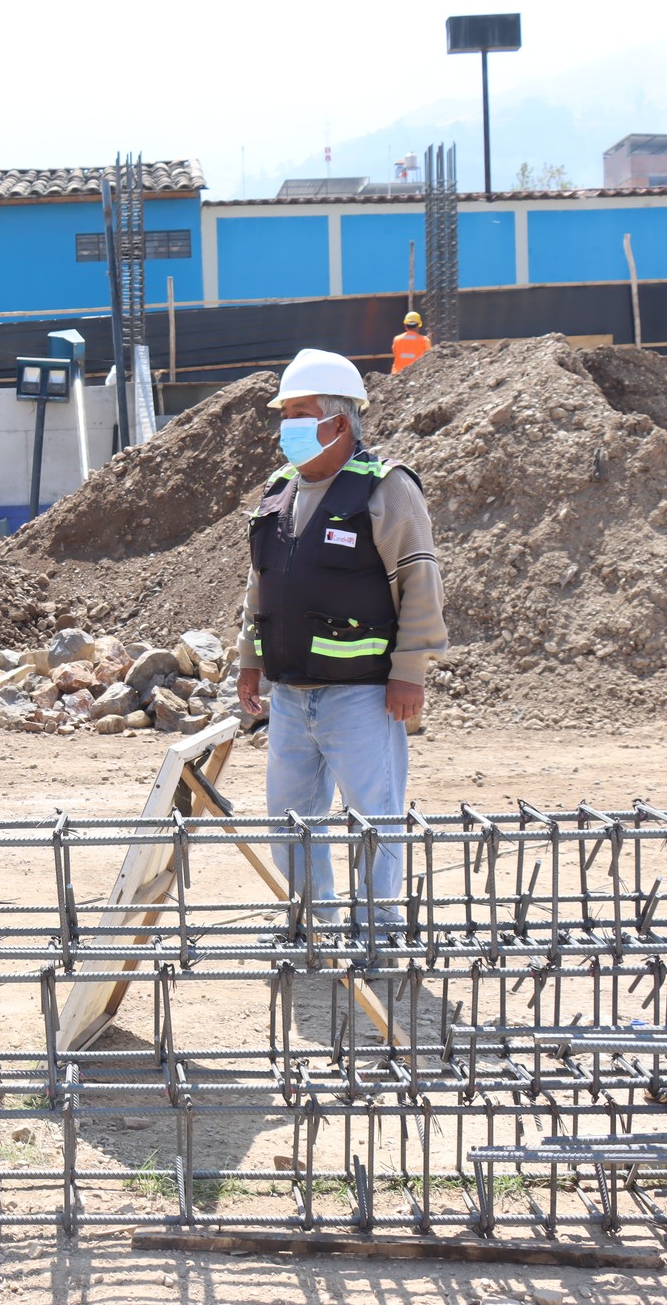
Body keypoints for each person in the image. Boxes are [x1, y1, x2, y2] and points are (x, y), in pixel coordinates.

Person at [234, 348, 447, 932]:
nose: (288, 427)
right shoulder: (277, 492)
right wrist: (249, 659)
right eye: (285, 414)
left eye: (300, 413)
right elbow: (260, 587)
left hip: (363, 696)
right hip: (290, 695)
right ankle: (314, 929)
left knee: (373, 821)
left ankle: (376, 934)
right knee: (291, 820)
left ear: (339, 422)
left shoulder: (387, 490)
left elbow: (420, 581)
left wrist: (410, 672)